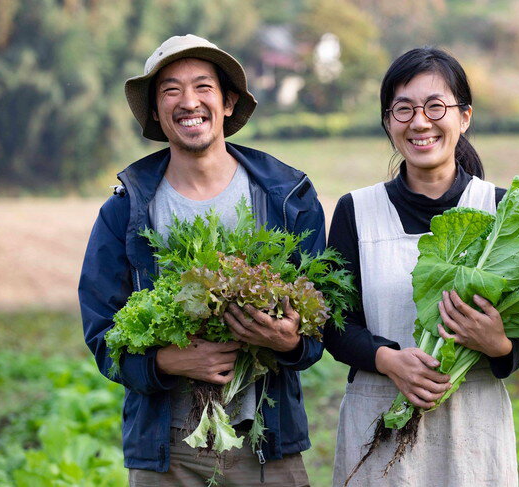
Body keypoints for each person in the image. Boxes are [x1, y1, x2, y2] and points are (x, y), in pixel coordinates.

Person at [78, 34, 322, 486]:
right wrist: (167, 361)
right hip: (167, 449)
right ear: (154, 110)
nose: (188, 101)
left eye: (202, 87)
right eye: (170, 90)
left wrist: (289, 340)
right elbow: (102, 335)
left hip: (268, 443)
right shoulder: (126, 209)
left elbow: (321, 325)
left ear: (228, 103)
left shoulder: (288, 198)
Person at [324, 47, 519, 486]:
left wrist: (498, 343)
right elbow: (332, 322)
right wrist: (388, 359)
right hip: (376, 421)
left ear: (464, 117)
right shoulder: (356, 210)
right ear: (388, 122)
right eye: (403, 109)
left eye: (435, 106)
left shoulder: (501, 210)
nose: (420, 122)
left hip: (473, 428)